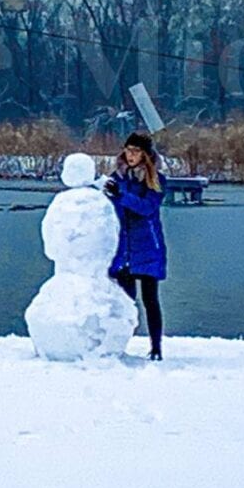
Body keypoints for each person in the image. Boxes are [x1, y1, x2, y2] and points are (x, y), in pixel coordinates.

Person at [103, 131, 167, 360]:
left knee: (150, 300)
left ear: (145, 154)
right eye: (128, 150)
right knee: (123, 301)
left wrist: (120, 196)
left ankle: (156, 347)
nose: (131, 155)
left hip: (148, 247)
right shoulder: (117, 178)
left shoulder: (156, 180)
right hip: (123, 248)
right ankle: (118, 346)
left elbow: (146, 208)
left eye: (136, 151)